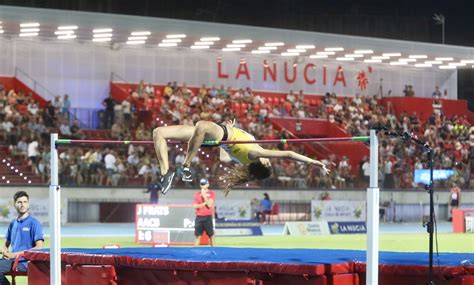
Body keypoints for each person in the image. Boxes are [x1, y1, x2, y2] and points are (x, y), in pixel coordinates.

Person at [153, 119, 330, 194]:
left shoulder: (256, 153)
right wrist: (229, 131)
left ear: (265, 164)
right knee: (158, 132)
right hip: (217, 137)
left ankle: (186, 166)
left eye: (269, 163)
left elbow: (289, 154)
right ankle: (165, 173)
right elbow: (223, 157)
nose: (270, 160)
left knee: (201, 126)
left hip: (216, 133)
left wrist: (315, 162)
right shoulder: (242, 159)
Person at [0, 191, 44, 285]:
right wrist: (4, 250)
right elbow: (5, 244)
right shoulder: (12, 223)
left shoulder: (34, 223)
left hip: (25, 262)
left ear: (28, 204)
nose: (22, 204)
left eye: (25, 202)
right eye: (19, 202)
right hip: (12, 260)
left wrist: (14, 255)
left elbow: (39, 247)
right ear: (14, 204)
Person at [193, 178, 215, 246]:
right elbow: (195, 206)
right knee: (197, 236)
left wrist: (204, 195)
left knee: (211, 235)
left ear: (208, 184)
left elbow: (209, 204)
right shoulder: (197, 194)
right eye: (201, 184)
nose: (202, 186)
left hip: (208, 217)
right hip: (199, 217)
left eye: (204, 184)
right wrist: (203, 204)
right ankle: (195, 252)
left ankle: (215, 251)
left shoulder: (211, 193)